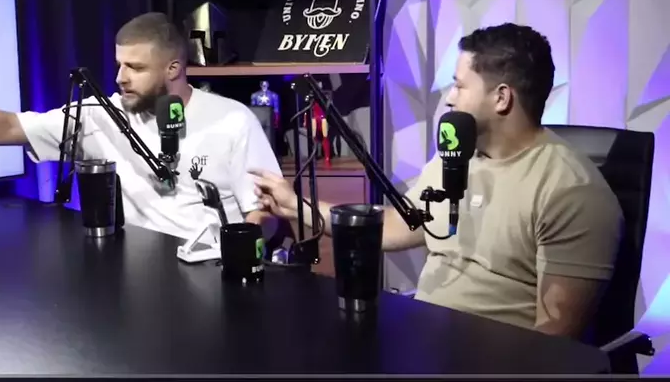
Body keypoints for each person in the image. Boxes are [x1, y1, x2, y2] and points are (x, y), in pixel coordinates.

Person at [250, 23, 623, 339]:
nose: (449, 99)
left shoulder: (572, 191)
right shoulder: (457, 156)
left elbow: (555, 341)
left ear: (502, 98)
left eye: (459, 86)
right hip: (425, 339)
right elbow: (395, 226)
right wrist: (297, 207)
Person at [0, 12, 280, 243]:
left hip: (213, 272)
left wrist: (235, 253)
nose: (121, 77)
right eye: (119, 65)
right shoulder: (101, 115)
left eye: (135, 67)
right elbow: (8, 127)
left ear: (173, 68)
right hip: (133, 276)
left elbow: (266, 216)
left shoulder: (233, 120)